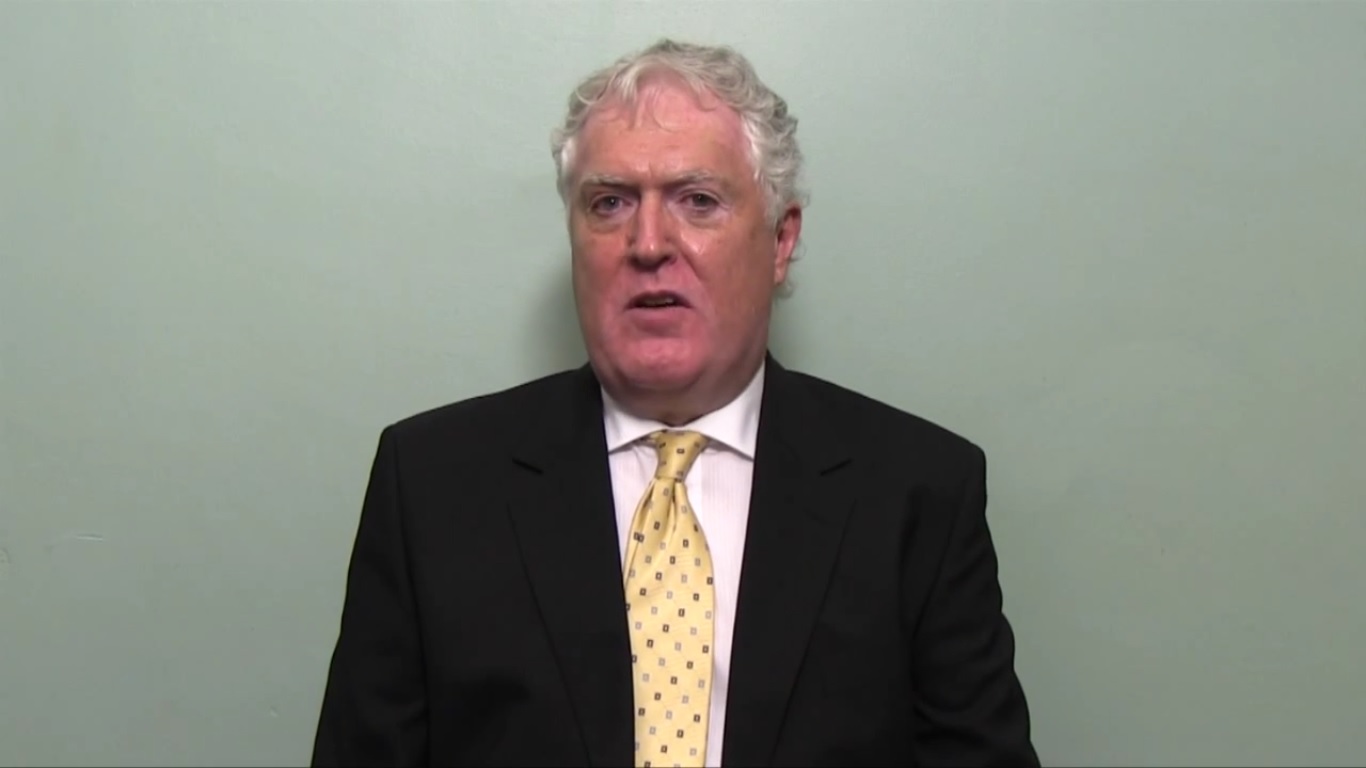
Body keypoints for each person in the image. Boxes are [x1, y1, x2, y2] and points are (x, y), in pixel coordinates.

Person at [311, 38, 1039, 767]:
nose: (649, 243)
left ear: (780, 240)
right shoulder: (433, 485)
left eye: (698, 201)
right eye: (610, 203)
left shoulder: (917, 493)